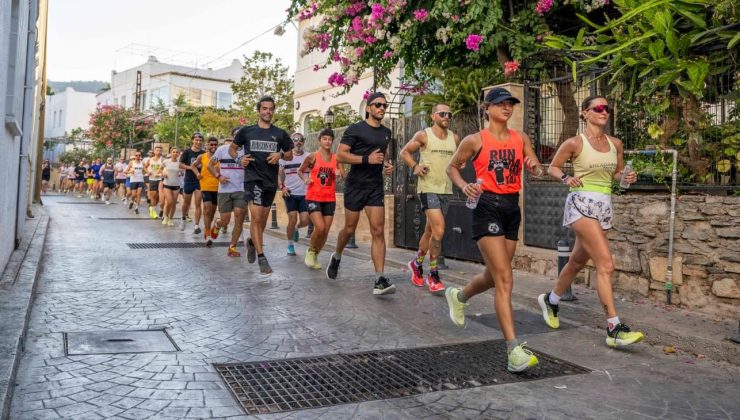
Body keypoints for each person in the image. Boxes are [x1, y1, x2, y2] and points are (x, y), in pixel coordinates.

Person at [445, 87, 544, 373]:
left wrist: (534, 166)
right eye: (501, 103)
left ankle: (459, 296)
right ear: (487, 108)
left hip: (512, 208)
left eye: (511, 104)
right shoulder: (475, 140)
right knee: (505, 278)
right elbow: (453, 168)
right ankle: (514, 351)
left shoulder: (520, 138)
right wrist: (465, 185)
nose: (507, 108)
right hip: (486, 205)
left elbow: (535, 167)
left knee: (493, 276)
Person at [537, 95, 644, 349]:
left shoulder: (615, 143)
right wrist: (566, 178)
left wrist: (627, 176)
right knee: (605, 263)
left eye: (607, 108)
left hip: (604, 205)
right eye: (598, 108)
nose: (604, 111)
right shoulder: (575, 143)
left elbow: (617, 174)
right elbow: (553, 167)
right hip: (580, 204)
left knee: (576, 261)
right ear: (585, 113)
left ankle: (551, 300)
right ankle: (614, 327)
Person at [325, 92, 395, 295]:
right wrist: (366, 159)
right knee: (349, 229)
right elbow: (341, 155)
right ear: (368, 108)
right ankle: (337, 256)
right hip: (355, 186)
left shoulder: (386, 132)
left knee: (378, 230)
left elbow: (383, 155)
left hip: (375, 186)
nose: (382, 108)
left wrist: (387, 165)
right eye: (378, 105)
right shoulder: (355, 129)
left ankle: (379, 279)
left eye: (384, 105)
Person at [399, 103, 461, 295]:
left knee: (430, 231)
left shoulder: (455, 138)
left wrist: (462, 161)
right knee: (440, 230)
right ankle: (433, 274)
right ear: (433, 116)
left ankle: (416, 264)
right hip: (428, 189)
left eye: (449, 114)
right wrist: (415, 167)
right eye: (442, 113)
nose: (447, 116)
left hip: (446, 189)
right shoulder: (423, 135)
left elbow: (460, 159)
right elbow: (404, 152)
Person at [231, 96, 293, 275]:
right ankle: (261, 256)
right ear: (258, 110)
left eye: (271, 108)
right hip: (253, 179)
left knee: (262, 221)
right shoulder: (247, 131)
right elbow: (232, 149)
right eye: (264, 108)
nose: (267, 111)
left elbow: (289, 154)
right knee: (257, 218)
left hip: (269, 182)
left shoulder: (280, 134)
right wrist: (239, 159)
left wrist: (280, 155)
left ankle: (251, 242)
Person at [298, 128, 345, 269]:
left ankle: (316, 254)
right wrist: (306, 179)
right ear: (320, 140)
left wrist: (340, 172)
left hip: (329, 198)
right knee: (320, 227)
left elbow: (344, 175)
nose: (327, 141)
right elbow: (301, 171)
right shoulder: (313, 156)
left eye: (330, 139)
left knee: (325, 231)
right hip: (313, 196)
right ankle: (311, 251)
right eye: (324, 139)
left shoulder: (337, 158)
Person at [210, 138, 247, 256]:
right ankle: (218, 224)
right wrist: (218, 176)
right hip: (224, 190)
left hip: (241, 189)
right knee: (225, 221)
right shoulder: (222, 150)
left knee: (239, 216)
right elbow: (209, 165)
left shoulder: (247, 151)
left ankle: (232, 247)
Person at [279, 133, 311, 256]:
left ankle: (297, 228)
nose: (298, 142)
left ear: (303, 142)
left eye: (300, 140)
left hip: (305, 193)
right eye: (295, 140)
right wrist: (282, 187)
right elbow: (280, 173)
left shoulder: (309, 156)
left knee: (305, 220)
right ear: (292, 142)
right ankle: (290, 244)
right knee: (292, 218)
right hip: (290, 193)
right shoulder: (285, 157)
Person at [193, 137, 220, 244]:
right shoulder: (202, 156)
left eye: (215, 145)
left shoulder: (220, 157)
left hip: (217, 188)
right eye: (211, 144)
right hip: (205, 187)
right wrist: (198, 174)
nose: (213, 146)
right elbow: (193, 166)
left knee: (212, 212)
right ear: (207, 145)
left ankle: (209, 229)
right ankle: (208, 234)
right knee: (207, 210)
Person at [180, 133, 205, 234]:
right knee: (186, 203)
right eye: (196, 140)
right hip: (188, 180)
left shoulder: (204, 153)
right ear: (192, 141)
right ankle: (183, 218)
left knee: (198, 203)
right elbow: (180, 164)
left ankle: (196, 225)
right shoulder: (187, 152)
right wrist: (191, 167)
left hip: (199, 181)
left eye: (200, 140)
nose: (198, 142)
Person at [162, 148, 182, 227]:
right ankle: (165, 217)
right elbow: (160, 170)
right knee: (169, 201)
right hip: (167, 184)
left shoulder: (180, 163)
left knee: (173, 203)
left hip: (176, 185)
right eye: (174, 152)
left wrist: (181, 172)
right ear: (171, 153)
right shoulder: (166, 161)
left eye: (177, 152)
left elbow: (183, 171)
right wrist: (163, 173)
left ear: (179, 154)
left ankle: (171, 219)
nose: (175, 153)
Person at [144, 146, 164, 219]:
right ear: (154, 152)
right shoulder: (150, 160)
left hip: (160, 179)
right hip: (152, 179)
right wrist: (148, 172)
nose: (158, 152)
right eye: (157, 150)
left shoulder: (163, 160)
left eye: (160, 150)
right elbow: (144, 167)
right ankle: (152, 209)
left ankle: (161, 209)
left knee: (160, 197)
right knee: (154, 196)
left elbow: (165, 168)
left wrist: (160, 173)